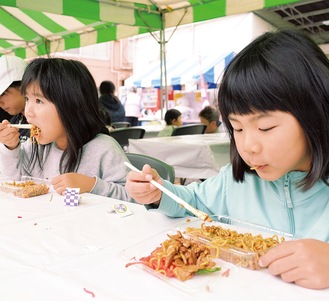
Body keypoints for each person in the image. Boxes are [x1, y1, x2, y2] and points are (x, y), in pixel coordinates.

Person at [125, 29, 329, 290]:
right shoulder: (235, 182)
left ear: (317, 112)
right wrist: (159, 193)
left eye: (265, 127)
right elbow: (194, 202)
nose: (248, 146)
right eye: (238, 129)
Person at [0, 58, 133, 201]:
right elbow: (15, 183)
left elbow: (134, 199)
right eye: (27, 99)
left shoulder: (103, 149)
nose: (28, 112)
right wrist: (11, 148)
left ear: (72, 105)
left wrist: (92, 186)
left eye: (39, 101)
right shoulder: (36, 147)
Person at [0, 55, 30, 142]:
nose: (0, 103)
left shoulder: (46, 122)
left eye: (3, 94)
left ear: (24, 86)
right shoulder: (13, 122)